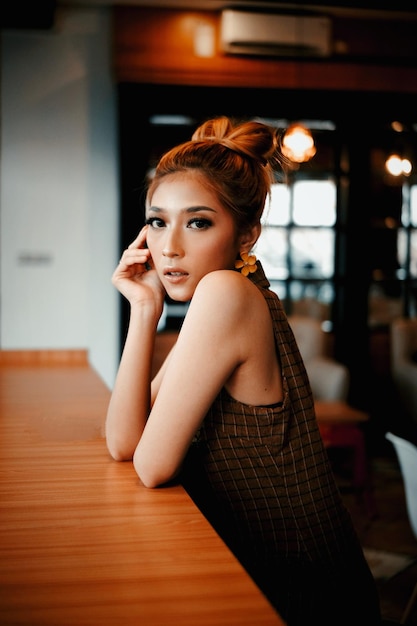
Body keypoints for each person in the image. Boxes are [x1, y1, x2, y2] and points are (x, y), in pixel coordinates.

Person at [105, 116, 382, 626]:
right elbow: (126, 443)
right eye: (158, 221)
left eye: (198, 222)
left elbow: (151, 466)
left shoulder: (227, 295)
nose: (169, 247)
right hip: (270, 565)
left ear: (247, 234)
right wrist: (144, 311)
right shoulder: (228, 294)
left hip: (303, 585)